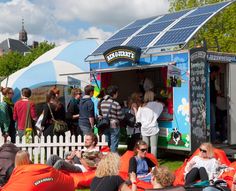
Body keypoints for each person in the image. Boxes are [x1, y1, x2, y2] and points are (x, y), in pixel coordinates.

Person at [136, 90, 163, 157]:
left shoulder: (141, 106)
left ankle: (145, 161)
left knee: (144, 147)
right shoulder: (156, 104)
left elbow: (138, 118)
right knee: (154, 147)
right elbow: (162, 106)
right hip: (153, 128)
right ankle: (153, 163)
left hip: (144, 129)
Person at [100, 85, 124, 152]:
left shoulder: (102, 102)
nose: (117, 94)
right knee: (114, 143)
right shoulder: (116, 103)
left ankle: (106, 157)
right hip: (114, 125)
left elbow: (102, 113)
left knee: (107, 143)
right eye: (117, 93)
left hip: (105, 124)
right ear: (114, 93)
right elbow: (120, 116)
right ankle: (113, 159)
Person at [210, 65, 220, 143]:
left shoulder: (213, 80)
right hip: (210, 102)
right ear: (214, 72)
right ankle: (213, 139)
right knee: (213, 121)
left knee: (213, 121)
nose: (217, 74)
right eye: (217, 73)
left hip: (213, 102)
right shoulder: (209, 79)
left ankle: (213, 138)